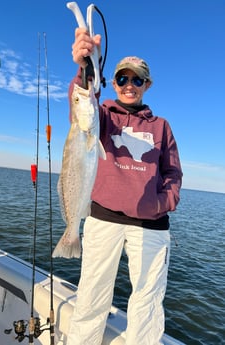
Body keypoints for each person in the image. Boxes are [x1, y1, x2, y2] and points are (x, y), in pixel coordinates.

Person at [66, 27, 183, 345]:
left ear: (147, 85)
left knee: (147, 301)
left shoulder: (161, 126)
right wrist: (84, 67)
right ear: (113, 82)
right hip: (103, 218)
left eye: (137, 79)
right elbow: (81, 106)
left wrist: (161, 203)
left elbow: (173, 173)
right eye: (122, 79)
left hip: (151, 226)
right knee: (91, 295)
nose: (129, 85)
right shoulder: (102, 116)